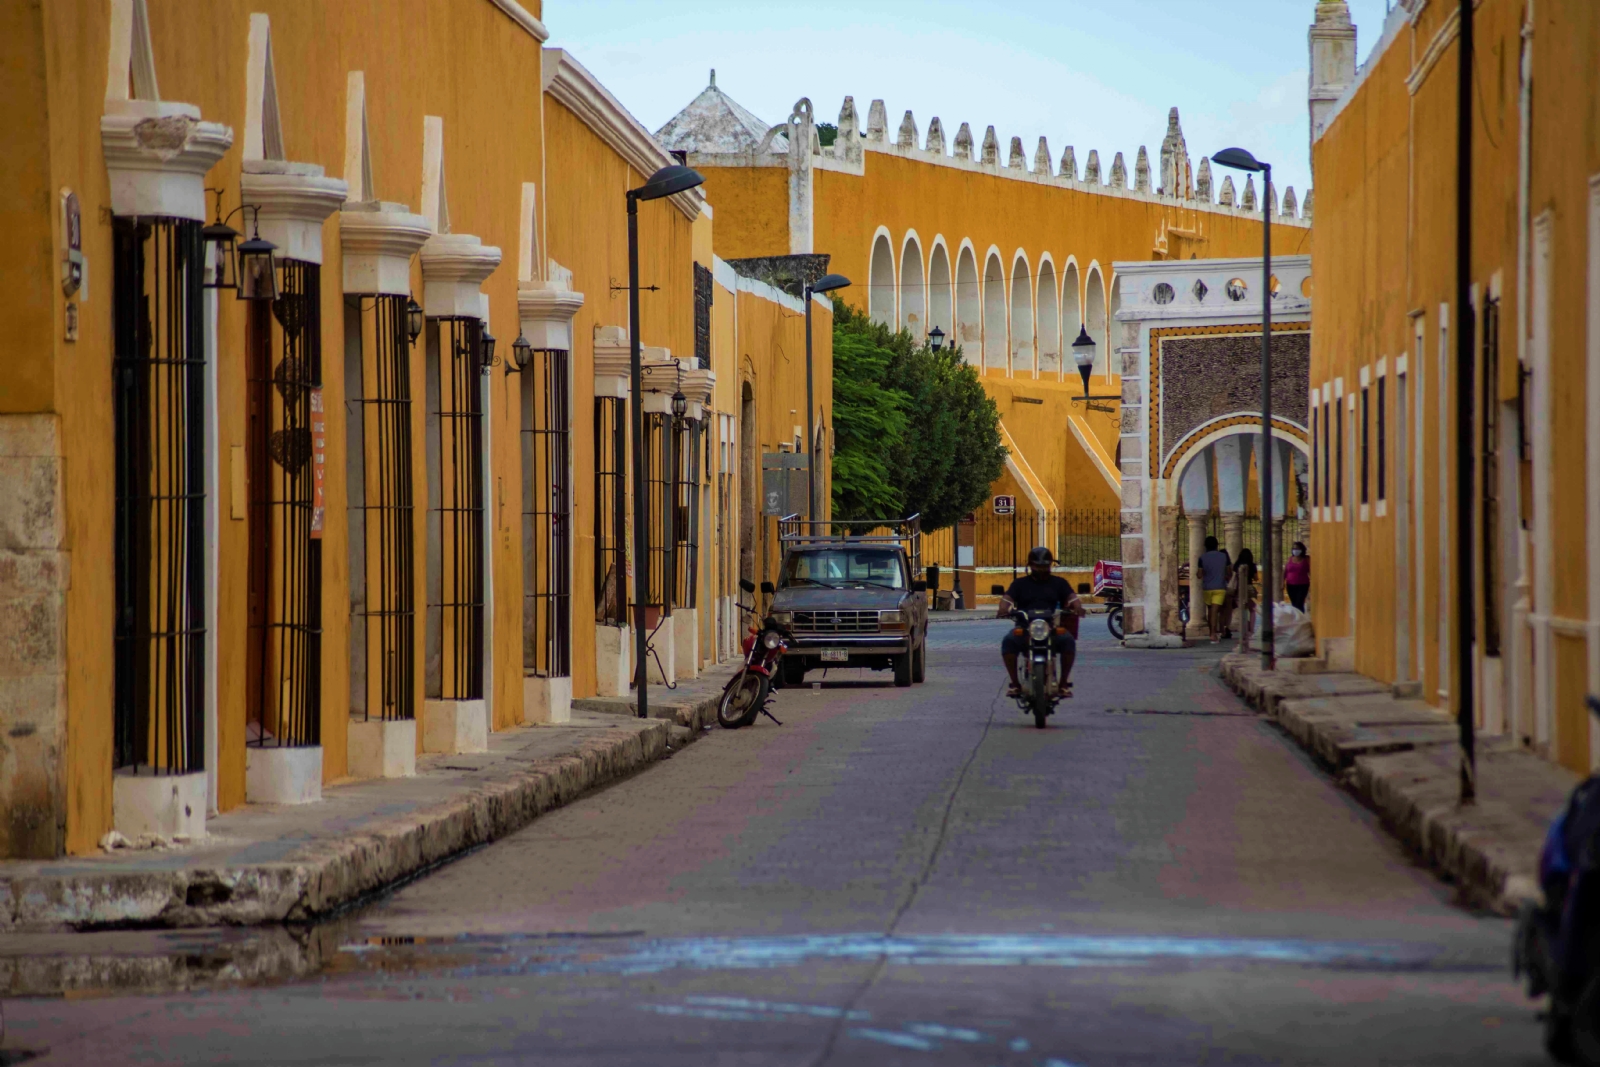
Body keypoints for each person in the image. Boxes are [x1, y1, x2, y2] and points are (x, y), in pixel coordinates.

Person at [997, 546, 1086, 698]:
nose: (1042, 569)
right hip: (1025, 627)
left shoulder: (1059, 583)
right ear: (1031, 565)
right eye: (1038, 566)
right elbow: (1007, 599)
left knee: (1068, 641)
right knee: (1008, 642)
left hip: (1050, 627)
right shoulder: (1020, 584)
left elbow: (1072, 597)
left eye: (1045, 565)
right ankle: (1015, 684)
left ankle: (1063, 684)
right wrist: (1003, 609)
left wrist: (1077, 607)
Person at [1197, 535, 1232, 643]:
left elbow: (1199, 575)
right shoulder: (1224, 557)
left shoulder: (1202, 558)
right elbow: (1229, 572)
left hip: (1207, 587)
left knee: (1210, 611)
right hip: (1220, 587)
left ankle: (1212, 632)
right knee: (1215, 611)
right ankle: (1213, 633)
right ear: (1217, 545)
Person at [1231, 547, 1259, 653]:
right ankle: (1251, 630)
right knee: (1252, 610)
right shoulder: (1252, 565)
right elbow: (1256, 578)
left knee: (1242, 610)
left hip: (1239, 590)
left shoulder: (1237, 565)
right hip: (1250, 589)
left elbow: (1233, 577)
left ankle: (1244, 630)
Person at [1285, 541, 1311, 612]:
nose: (1295, 550)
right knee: (1294, 603)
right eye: (1294, 548)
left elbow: (1311, 571)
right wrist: (1282, 582)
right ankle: (1297, 619)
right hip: (1290, 585)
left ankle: (1300, 618)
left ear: (1302, 549)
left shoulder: (1306, 559)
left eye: (1297, 548)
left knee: (1299, 603)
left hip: (1302, 585)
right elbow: (1286, 571)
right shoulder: (1290, 559)